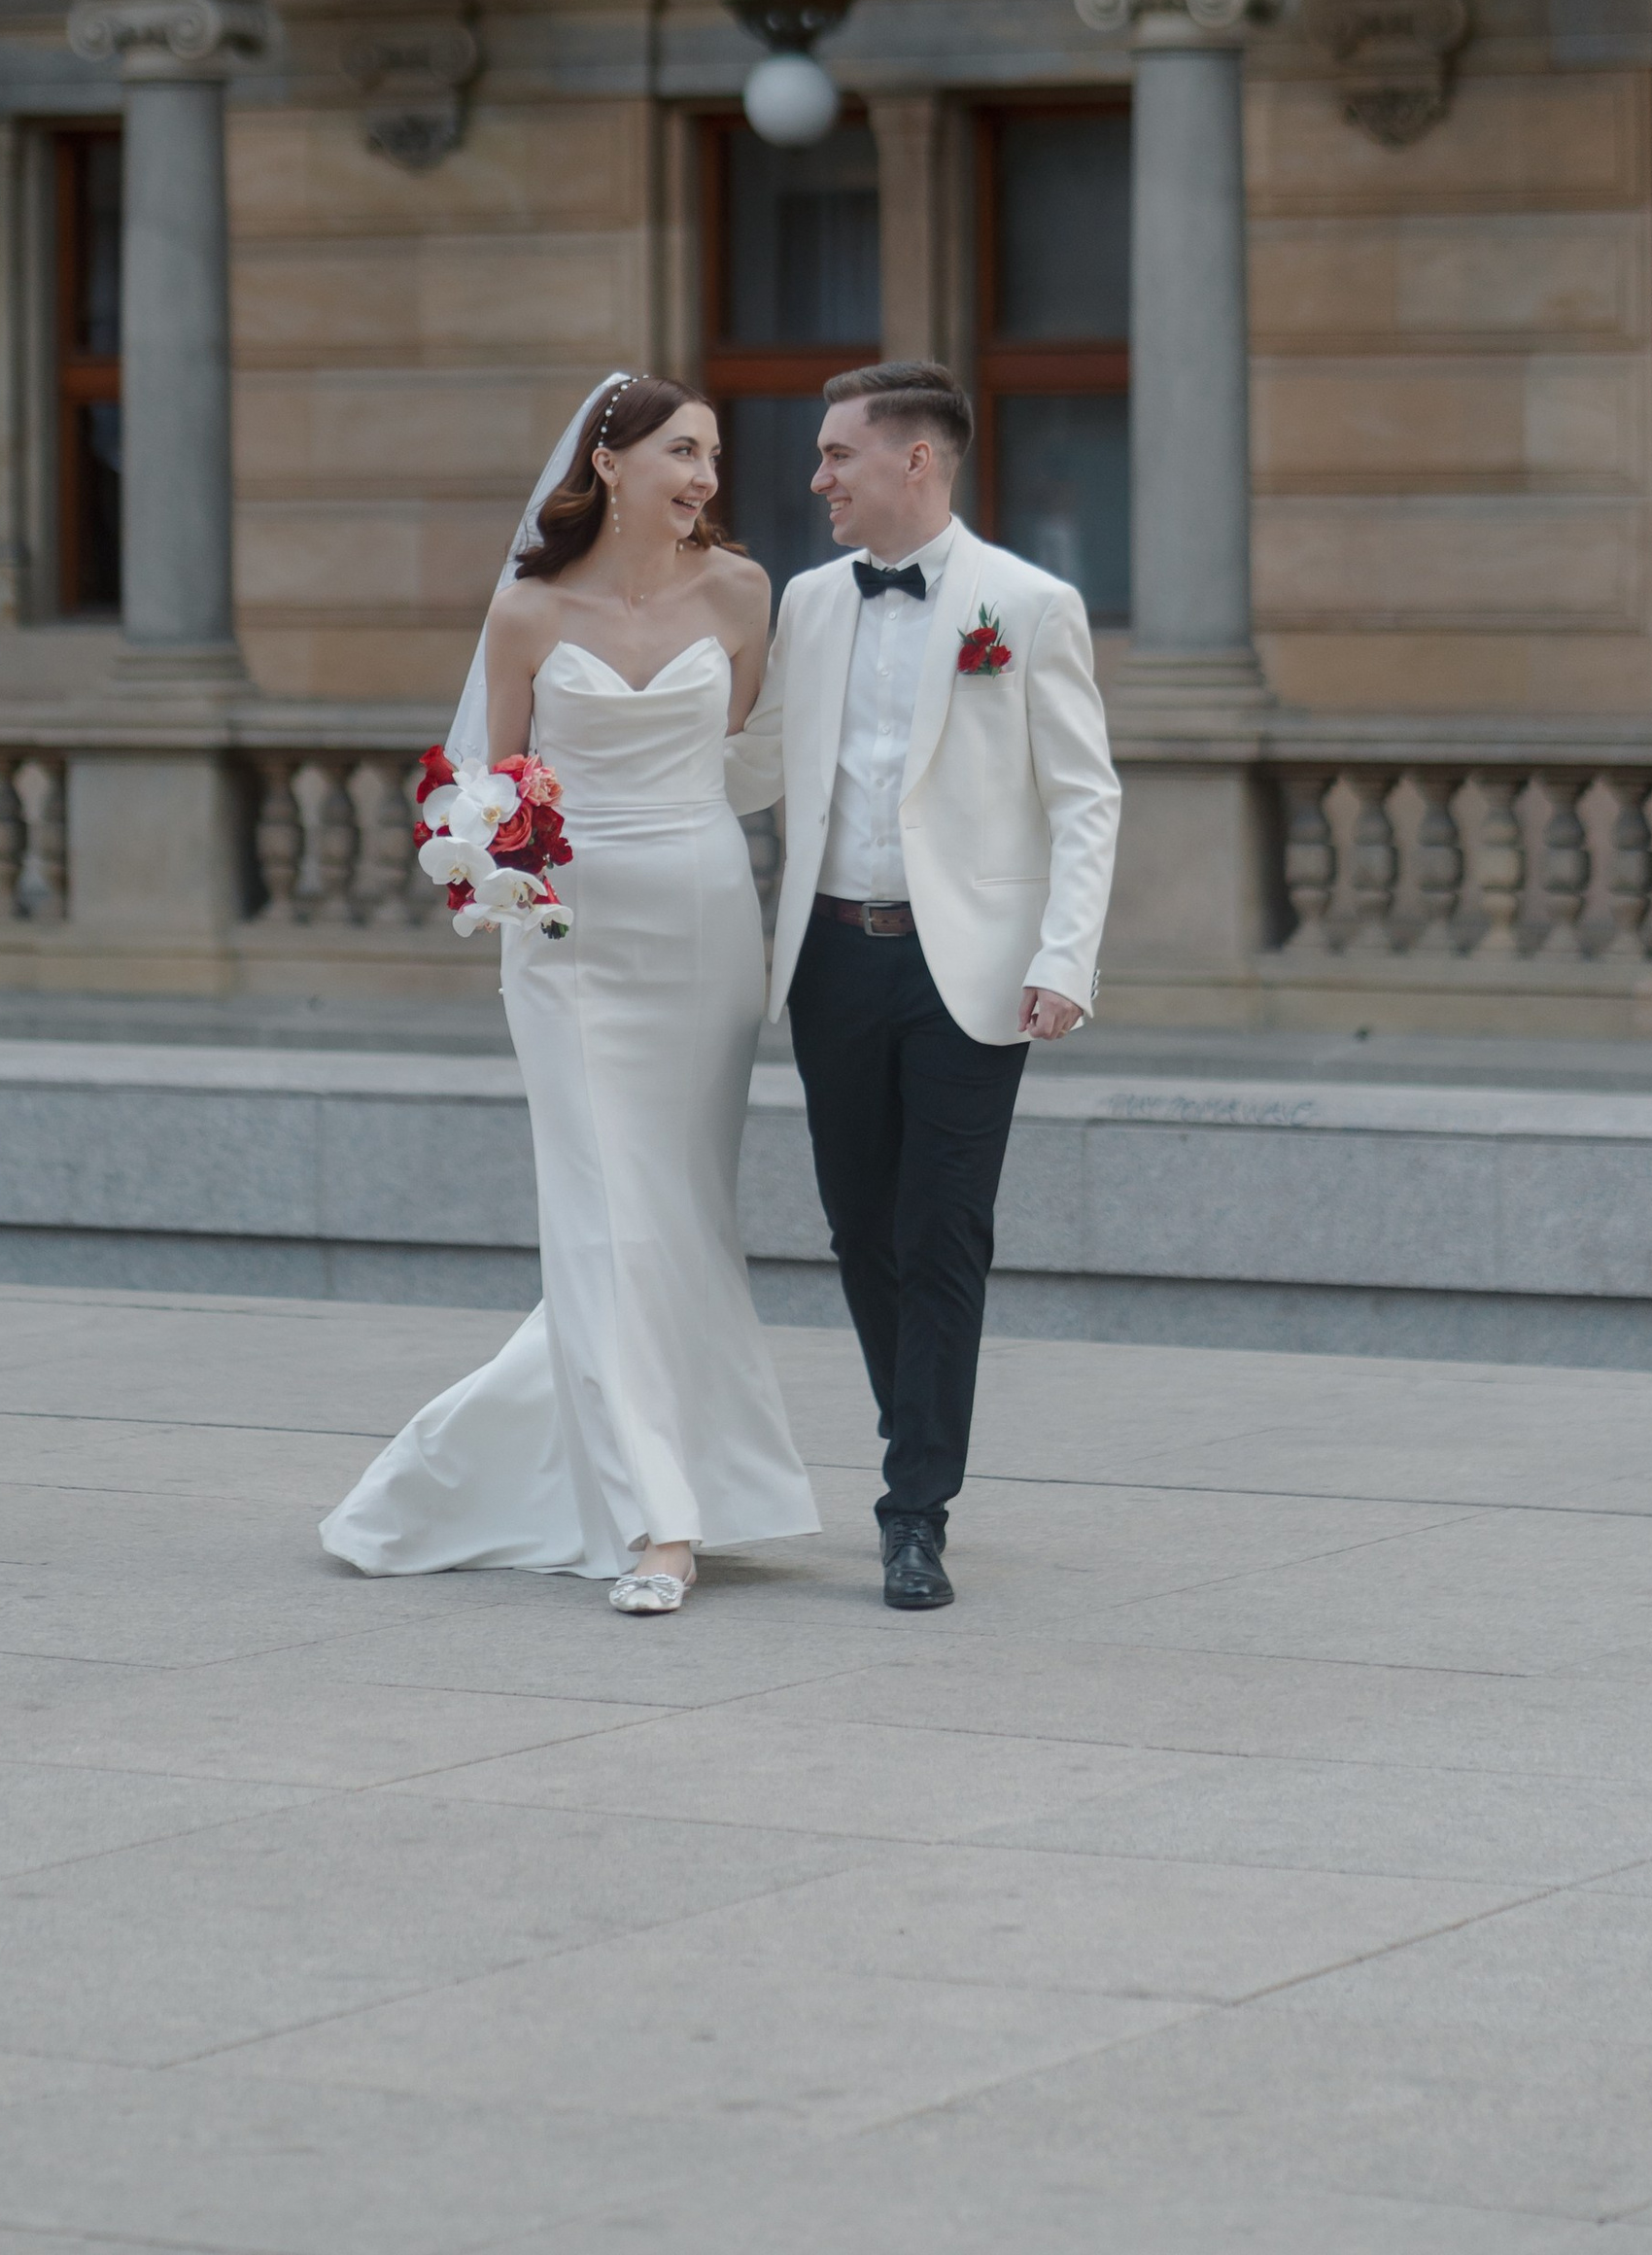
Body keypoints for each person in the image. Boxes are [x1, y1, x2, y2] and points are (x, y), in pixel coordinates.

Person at [320, 372, 820, 1615]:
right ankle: (659, 1520)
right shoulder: (527, 611)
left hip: (704, 921)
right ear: (609, 464)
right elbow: (487, 782)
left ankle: (646, 1471)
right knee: (604, 1213)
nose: (705, 476)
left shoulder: (746, 593)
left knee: (681, 1213)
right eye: (682, 452)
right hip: (566, 938)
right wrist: (498, 862)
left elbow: (756, 760)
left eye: (712, 455)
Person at [727, 361, 1119, 1614]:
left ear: (917, 460)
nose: (816, 478)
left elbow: (1083, 799)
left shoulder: (1029, 604)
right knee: (858, 1230)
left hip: (973, 973)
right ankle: (918, 1439)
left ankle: (914, 1509)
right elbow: (749, 767)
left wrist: (1064, 958)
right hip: (830, 959)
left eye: (837, 454)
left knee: (939, 1233)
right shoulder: (804, 600)